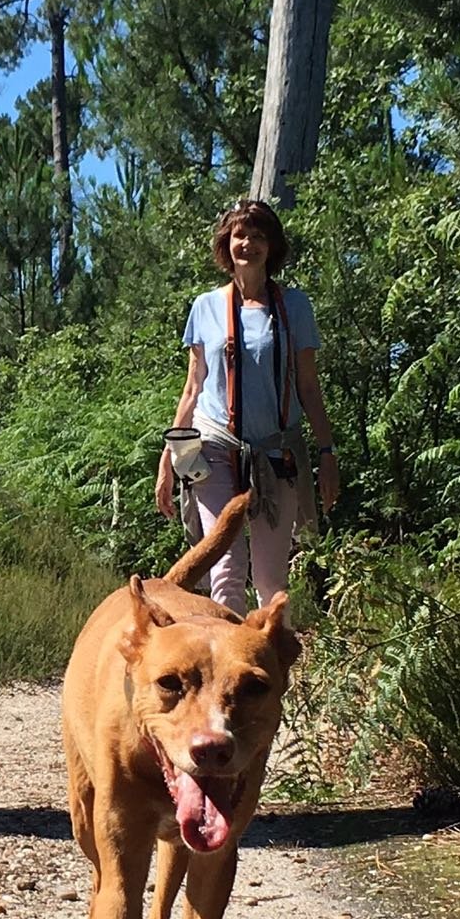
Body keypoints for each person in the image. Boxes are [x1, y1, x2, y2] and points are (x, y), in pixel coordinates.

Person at [155, 198, 340, 613]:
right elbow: (193, 387)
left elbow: (309, 387)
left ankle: (271, 670)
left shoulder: (294, 306)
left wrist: (327, 453)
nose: (249, 244)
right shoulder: (205, 307)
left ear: (271, 246)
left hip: (277, 452)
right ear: (227, 244)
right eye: (241, 235)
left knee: (272, 578)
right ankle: (227, 670)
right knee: (224, 567)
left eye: (259, 236)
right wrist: (168, 458)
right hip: (214, 449)